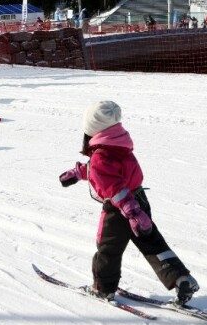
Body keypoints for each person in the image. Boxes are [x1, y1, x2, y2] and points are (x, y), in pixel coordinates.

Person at [59, 101, 199, 306]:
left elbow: (113, 185)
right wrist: (77, 173)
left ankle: (103, 289)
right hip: (139, 199)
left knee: (108, 248)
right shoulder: (119, 144)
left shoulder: (101, 155)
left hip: (121, 209)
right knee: (152, 243)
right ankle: (181, 278)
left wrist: (132, 214)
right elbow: (107, 170)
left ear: (92, 128)